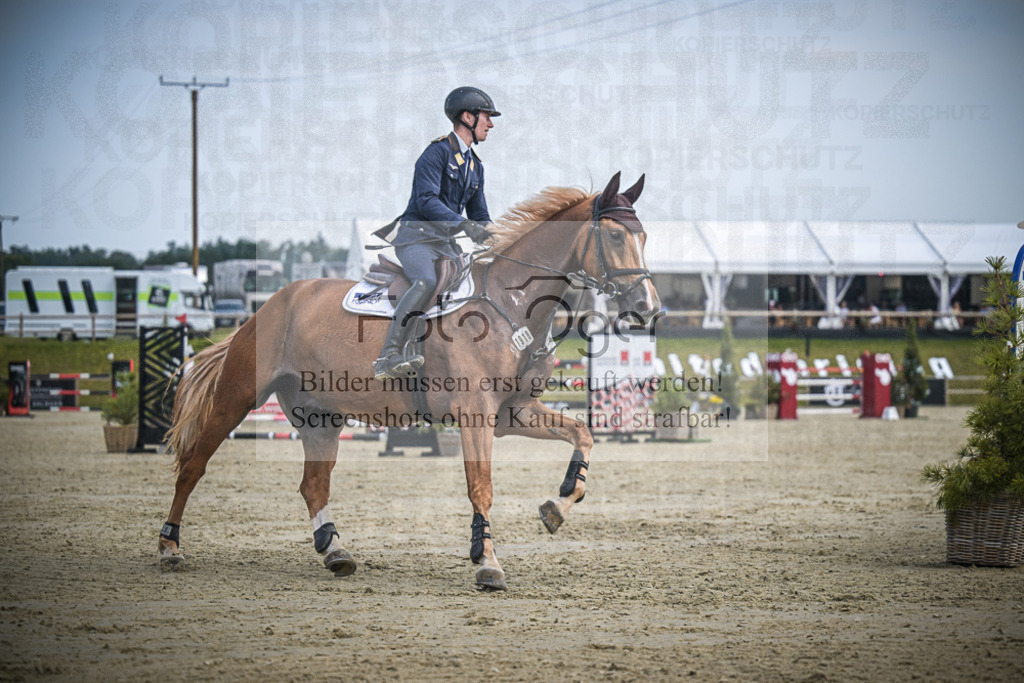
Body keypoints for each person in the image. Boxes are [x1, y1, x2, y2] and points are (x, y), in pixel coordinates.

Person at [373, 86, 500, 381]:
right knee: (425, 280)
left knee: (475, 281)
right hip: (416, 238)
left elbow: (479, 214)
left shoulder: (475, 167)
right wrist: (462, 224)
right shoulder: (436, 153)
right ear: (468, 117)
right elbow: (426, 201)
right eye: (487, 117)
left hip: (444, 244)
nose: (491, 124)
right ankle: (388, 355)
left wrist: (497, 235)